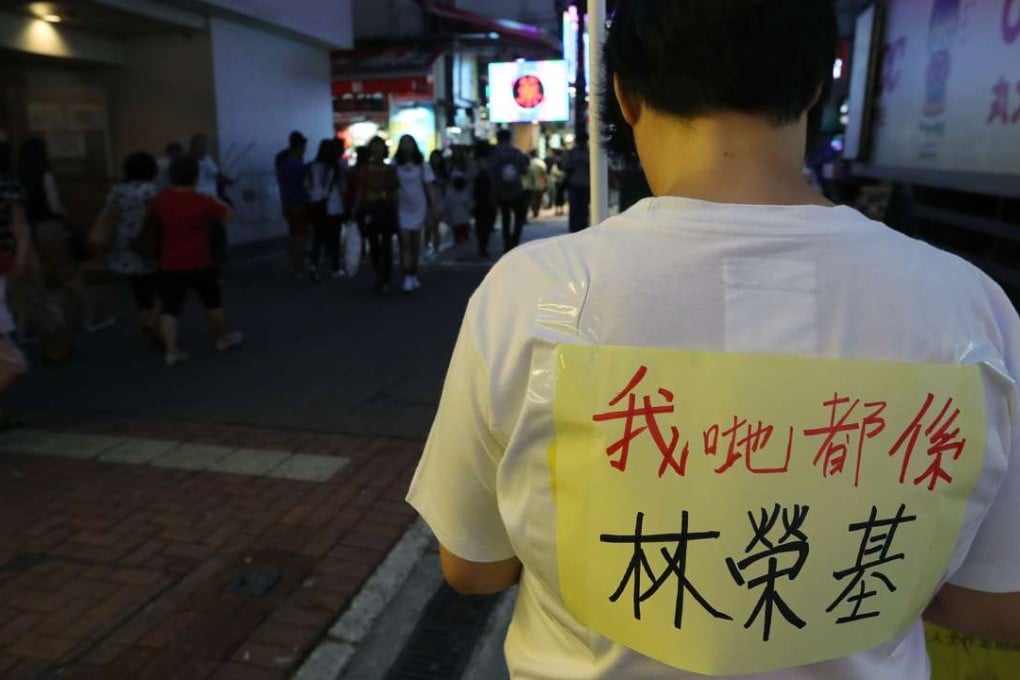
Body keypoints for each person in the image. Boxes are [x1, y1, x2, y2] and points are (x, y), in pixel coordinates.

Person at [406, 2, 1020, 679]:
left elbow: (474, 565)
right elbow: (996, 603)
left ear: (626, 95)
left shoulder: (531, 293)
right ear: (818, 86)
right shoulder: (970, 308)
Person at [150, 157, 242, 366]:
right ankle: (224, 338)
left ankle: (172, 350)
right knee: (212, 303)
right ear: (196, 176)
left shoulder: (161, 200)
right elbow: (229, 216)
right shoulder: (204, 201)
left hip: (170, 260)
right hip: (201, 259)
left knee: (170, 307)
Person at [19, 137, 112, 335]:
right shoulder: (46, 175)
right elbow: (54, 205)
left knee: (36, 280)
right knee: (68, 274)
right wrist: (66, 216)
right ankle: (85, 319)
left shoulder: (20, 178)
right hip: (50, 227)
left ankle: (35, 325)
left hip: (29, 228)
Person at [94, 151, 161, 343]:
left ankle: (146, 319)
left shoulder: (117, 191)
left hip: (125, 246)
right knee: (159, 288)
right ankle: (154, 323)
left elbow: (109, 216)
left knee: (140, 291)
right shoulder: (152, 191)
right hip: (149, 243)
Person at [0, 143, 32, 421]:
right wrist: (21, 258)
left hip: (5, 261)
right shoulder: (11, 190)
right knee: (12, 360)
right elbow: (20, 227)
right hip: (7, 261)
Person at [394, 135, 439, 294]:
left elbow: (429, 186)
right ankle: (407, 275)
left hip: (419, 206)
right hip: (402, 206)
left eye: (409, 143)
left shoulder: (422, 165)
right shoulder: (395, 165)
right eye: (404, 143)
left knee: (415, 242)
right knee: (404, 241)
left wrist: (434, 206)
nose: (407, 146)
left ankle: (413, 272)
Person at [354, 136, 398, 294]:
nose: (377, 150)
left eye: (380, 147)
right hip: (371, 208)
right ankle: (380, 274)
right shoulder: (365, 170)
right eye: (375, 147)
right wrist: (356, 209)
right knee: (373, 243)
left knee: (386, 244)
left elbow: (395, 190)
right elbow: (361, 191)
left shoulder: (390, 170)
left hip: (385, 208)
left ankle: (385, 276)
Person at [306, 139, 347, 280]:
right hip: (334, 206)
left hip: (316, 205)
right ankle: (335, 268)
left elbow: (306, 185)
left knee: (318, 237)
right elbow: (343, 188)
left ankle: (313, 265)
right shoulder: (336, 167)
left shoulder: (311, 166)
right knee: (334, 238)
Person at [488, 129, 529, 252]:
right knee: (519, 217)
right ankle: (515, 240)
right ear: (510, 138)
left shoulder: (494, 154)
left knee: (506, 218)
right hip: (516, 189)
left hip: (501, 190)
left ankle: (507, 243)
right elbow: (524, 169)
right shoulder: (516, 152)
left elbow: (490, 173)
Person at [275, 131, 311, 275]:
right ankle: (299, 263)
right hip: (299, 200)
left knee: (293, 232)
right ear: (300, 146)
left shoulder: (282, 162)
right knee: (301, 233)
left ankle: (292, 262)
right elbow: (305, 183)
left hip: (287, 201)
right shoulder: (298, 163)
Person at [472, 141, 497, 260]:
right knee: (485, 223)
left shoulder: (475, 163)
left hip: (478, 197)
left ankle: (481, 246)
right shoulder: (489, 163)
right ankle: (483, 246)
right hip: (487, 197)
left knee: (480, 223)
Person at [563, 133, 591, 233]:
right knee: (575, 207)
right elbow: (565, 166)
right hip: (575, 184)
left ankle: (582, 226)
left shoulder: (589, 152)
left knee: (583, 207)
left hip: (584, 184)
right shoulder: (572, 153)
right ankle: (574, 227)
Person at [426, 150, 448, 257]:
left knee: (434, 226)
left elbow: (445, 184)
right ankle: (429, 245)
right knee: (429, 226)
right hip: (428, 201)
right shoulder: (427, 171)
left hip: (439, 200)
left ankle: (435, 247)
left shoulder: (443, 172)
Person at [524, 150, 549, 220]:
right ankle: (536, 211)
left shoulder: (529, 162)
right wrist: (546, 183)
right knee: (539, 199)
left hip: (531, 184)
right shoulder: (541, 163)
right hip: (540, 183)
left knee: (532, 199)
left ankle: (534, 210)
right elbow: (544, 174)